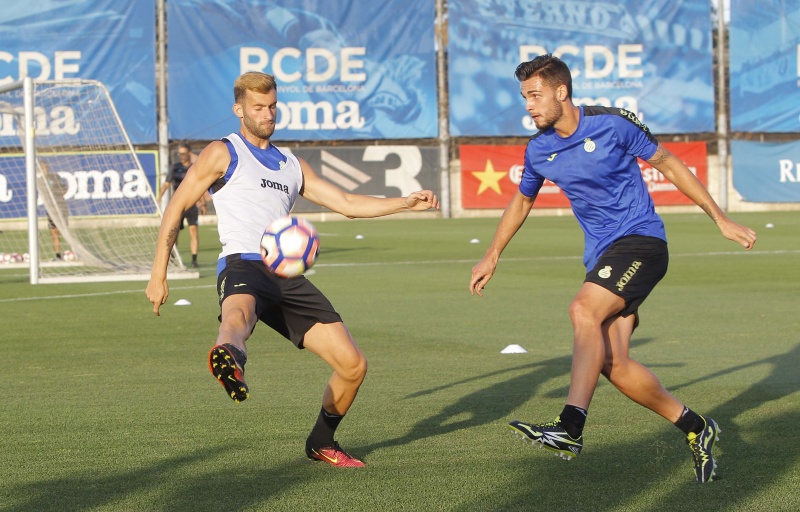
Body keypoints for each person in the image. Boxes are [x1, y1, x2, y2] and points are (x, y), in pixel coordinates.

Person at [469, 54, 757, 483]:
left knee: (582, 310)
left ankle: (570, 426)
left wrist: (721, 220)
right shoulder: (539, 149)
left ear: (561, 92)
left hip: (642, 242)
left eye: (535, 95)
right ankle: (697, 426)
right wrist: (492, 254)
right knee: (611, 362)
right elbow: (523, 199)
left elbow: (668, 163)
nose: (528, 105)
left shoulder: (612, 123)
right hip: (603, 258)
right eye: (524, 97)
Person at [146, 71, 439, 467]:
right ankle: (229, 357)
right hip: (243, 263)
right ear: (239, 110)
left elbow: (347, 203)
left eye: (272, 106)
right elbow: (176, 207)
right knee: (237, 317)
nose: (268, 114)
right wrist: (158, 273)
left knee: (353, 365)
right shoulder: (223, 152)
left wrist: (404, 202)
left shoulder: (291, 164)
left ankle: (321, 442)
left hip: (287, 276)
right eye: (258, 107)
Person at [157, 142, 205, 268]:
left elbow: (200, 186)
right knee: (175, 232)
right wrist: (159, 197)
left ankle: (194, 260)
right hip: (178, 205)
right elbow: (166, 184)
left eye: (183, 154)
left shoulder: (195, 167)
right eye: (179, 154)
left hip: (192, 205)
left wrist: (203, 204)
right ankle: (174, 258)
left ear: (189, 153)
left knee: (193, 231)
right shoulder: (174, 168)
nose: (181, 156)